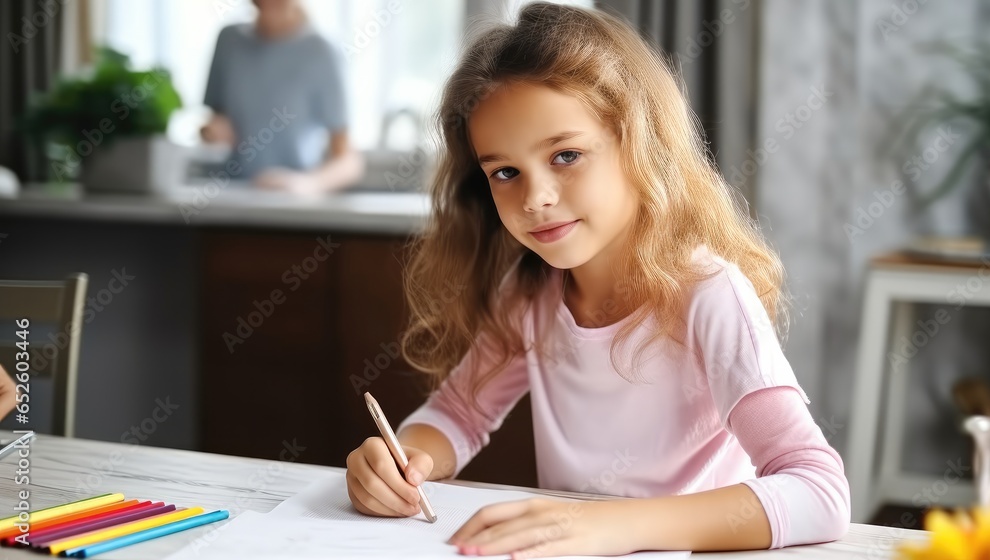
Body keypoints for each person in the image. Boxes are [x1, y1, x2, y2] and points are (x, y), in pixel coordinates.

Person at [345, 2, 850, 557]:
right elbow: (460, 413)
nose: (534, 197)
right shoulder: (531, 294)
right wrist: (402, 460)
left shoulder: (710, 295)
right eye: (505, 172)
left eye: (566, 155)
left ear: (642, 146)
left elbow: (818, 490)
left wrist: (609, 527)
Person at [200, 0, 363, 195]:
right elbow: (214, 121)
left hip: (289, 202)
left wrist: (308, 183)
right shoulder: (229, 40)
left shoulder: (320, 52)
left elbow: (348, 161)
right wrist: (212, 131)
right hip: (229, 195)